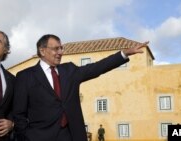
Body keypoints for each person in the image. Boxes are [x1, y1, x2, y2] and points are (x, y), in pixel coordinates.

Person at [13, 34, 149, 141]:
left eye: (61, 48)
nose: (60, 52)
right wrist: (26, 138)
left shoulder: (69, 70)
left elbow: (97, 68)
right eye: (56, 48)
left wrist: (123, 54)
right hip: (39, 137)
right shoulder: (25, 76)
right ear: (42, 51)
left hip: (71, 136)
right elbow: (19, 114)